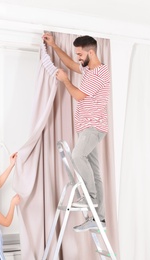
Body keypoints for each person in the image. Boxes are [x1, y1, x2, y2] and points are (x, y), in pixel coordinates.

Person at [42, 33, 110, 231]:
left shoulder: (99, 73)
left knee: (78, 156)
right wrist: (54, 46)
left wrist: (65, 81)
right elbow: (71, 65)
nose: (78, 58)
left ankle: (90, 198)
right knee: (95, 171)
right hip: (86, 127)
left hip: (93, 126)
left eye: (80, 54)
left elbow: (79, 96)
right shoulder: (89, 69)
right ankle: (100, 219)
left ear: (91, 52)